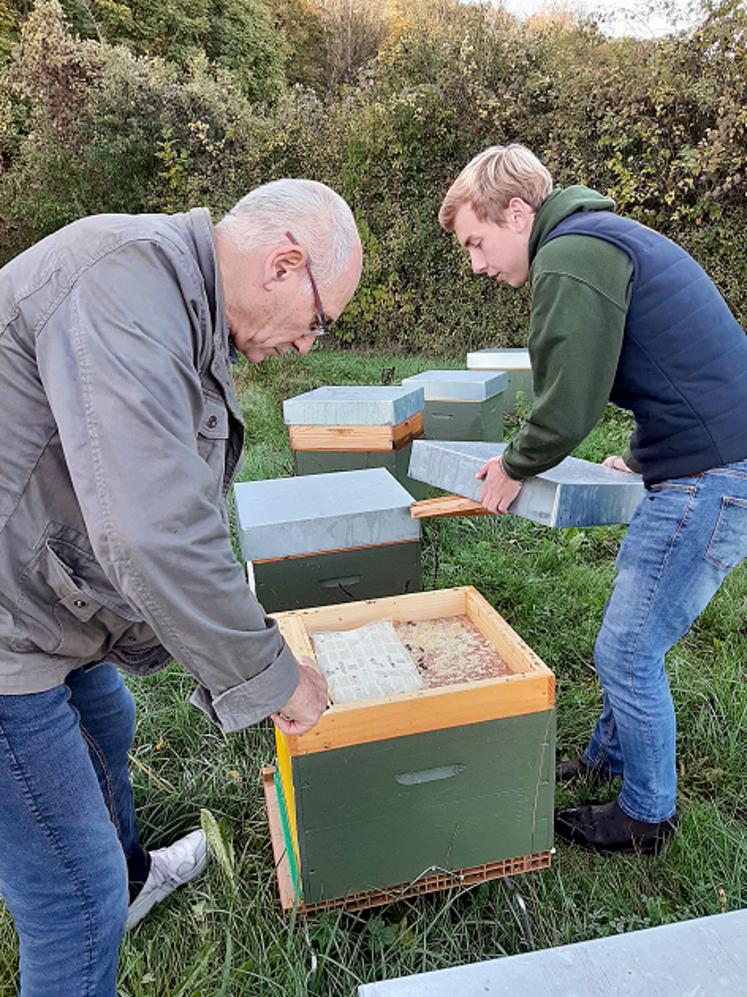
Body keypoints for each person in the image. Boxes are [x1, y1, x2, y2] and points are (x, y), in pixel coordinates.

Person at [0, 178, 362, 995]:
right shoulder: (124, 284)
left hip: (42, 580)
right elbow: (152, 529)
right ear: (284, 263)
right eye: (320, 321)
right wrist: (272, 676)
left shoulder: (175, 295)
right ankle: (106, 894)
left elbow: (161, 499)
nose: (311, 344)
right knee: (70, 897)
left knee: (107, 716)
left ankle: (133, 876)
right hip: (7, 620)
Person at [438, 143, 747, 855]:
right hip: (708, 459)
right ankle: (608, 755)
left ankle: (646, 814)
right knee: (630, 626)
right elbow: (675, 366)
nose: (477, 264)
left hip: (716, 474)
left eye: (477, 243)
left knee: (628, 648)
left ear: (518, 214)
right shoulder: (599, 237)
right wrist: (644, 455)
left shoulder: (571, 252)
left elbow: (568, 396)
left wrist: (515, 464)